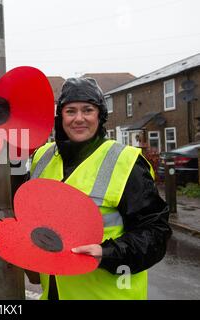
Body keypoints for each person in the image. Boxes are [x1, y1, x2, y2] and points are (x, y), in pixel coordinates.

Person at [28, 77, 172, 300]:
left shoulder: (125, 161)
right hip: (55, 292)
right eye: (70, 111)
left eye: (87, 110)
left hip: (108, 294)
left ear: (100, 115)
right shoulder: (42, 157)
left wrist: (107, 254)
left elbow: (155, 233)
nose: (79, 119)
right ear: (61, 116)